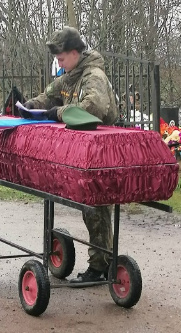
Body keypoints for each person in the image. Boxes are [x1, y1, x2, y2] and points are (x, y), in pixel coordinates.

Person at [21, 26, 119, 283]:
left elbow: (93, 108)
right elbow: (49, 95)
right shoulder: (69, 76)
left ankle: (100, 266)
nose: (59, 63)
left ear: (75, 53)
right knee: (90, 208)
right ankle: (102, 262)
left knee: (96, 209)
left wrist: (59, 112)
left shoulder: (93, 76)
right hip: (81, 151)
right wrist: (31, 105)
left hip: (101, 152)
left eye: (62, 58)